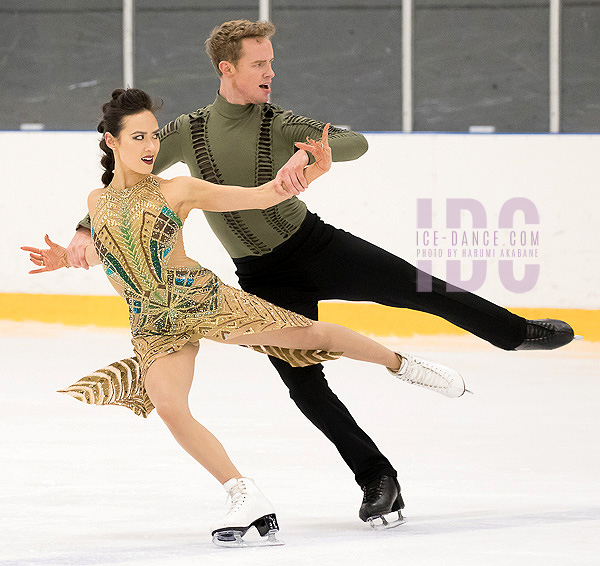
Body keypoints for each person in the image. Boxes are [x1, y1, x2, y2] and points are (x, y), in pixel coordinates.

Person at [65, 20, 575, 527]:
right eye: (258, 64)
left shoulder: (280, 122)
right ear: (228, 68)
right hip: (263, 277)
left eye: (271, 62)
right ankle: (378, 479)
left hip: (317, 246)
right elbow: (131, 184)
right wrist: (86, 229)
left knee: (419, 288)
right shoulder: (188, 131)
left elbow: (353, 144)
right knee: (306, 383)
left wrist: (309, 151)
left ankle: (514, 332)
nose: (270, 72)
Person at [23, 88, 466, 545]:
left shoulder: (178, 190)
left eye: (155, 135)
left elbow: (261, 196)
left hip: (201, 300)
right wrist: (68, 257)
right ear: (112, 142)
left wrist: (308, 172)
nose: (152, 146)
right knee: (171, 408)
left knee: (309, 336)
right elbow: (118, 248)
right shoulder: (96, 203)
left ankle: (403, 366)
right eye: (139, 137)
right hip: (152, 319)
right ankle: (243, 493)